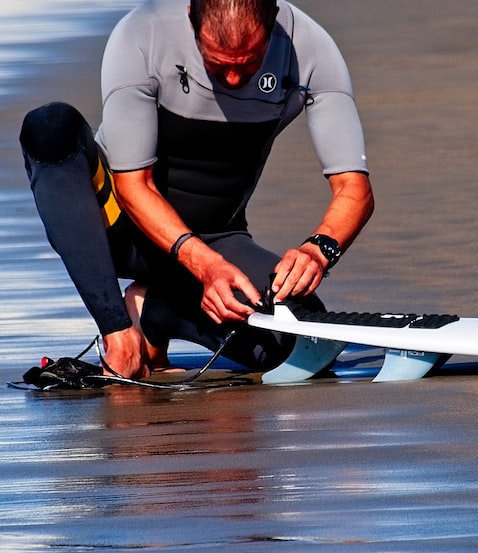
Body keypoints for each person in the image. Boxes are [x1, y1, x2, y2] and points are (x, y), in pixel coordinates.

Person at [19, 0, 374, 378]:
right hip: (116, 228)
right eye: (219, 64)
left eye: (249, 63)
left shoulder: (311, 51)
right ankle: (119, 330)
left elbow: (355, 188)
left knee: (298, 342)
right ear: (191, 19)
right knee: (49, 126)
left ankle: (155, 311)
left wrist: (319, 250)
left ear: (273, 26)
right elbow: (132, 186)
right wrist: (203, 268)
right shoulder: (144, 33)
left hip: (217, 236)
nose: (234, 81)